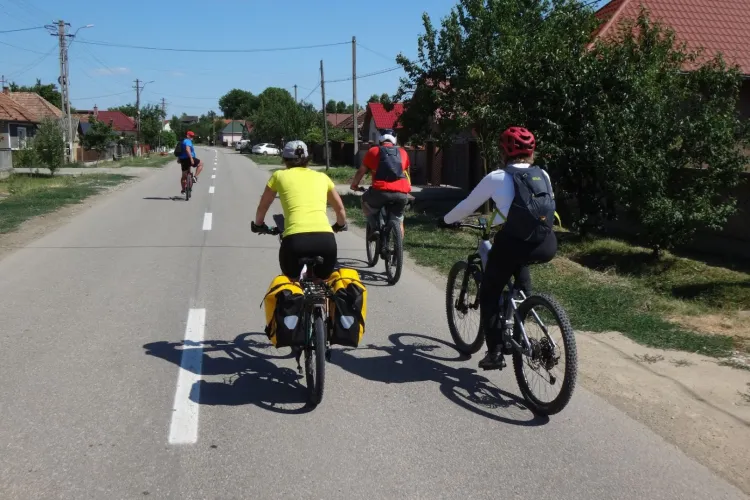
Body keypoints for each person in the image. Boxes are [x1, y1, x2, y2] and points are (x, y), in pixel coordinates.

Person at [438, 127, 557, 371]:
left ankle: (495, 353)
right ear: (531, 152)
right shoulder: (542, 174)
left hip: (513, 245)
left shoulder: (497, 177)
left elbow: (467, 206)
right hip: (546, 244)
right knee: (521, 287)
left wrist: (445, 220)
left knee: (489, 293)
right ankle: (522, 317)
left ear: (504, 151)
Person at [251, 140, 348, 280]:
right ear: (307, 159)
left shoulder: (279, 176)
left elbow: (263, 207)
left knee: (291, 283)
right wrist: (339, 225)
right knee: (323, 282)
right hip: (326, 241)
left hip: (295, 241)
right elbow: (340, 209)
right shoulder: (323, 177)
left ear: (285, 160)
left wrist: (258, 225)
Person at [349, 133, 411, 239]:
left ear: (380, 141)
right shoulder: (403, 152)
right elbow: (407, 173)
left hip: (380, 191)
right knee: (399, 219)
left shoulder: (373, 151)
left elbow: (361, 171)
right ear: (394, 142)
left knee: (364, 201)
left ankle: (374, 228)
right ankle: (399, 246)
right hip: (401, 192)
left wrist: (354, 185)